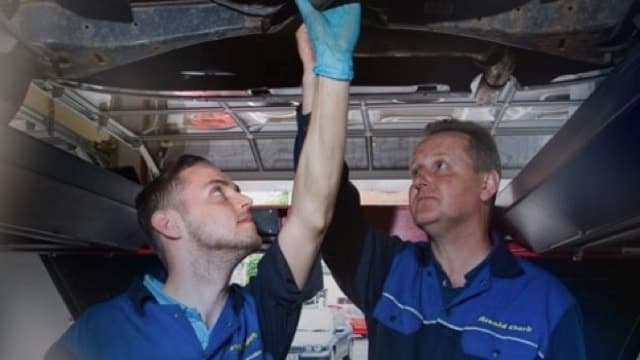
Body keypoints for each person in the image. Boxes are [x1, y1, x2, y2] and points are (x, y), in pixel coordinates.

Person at [44, 1, 360, 359]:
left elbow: (313, 214)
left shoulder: (261, 313)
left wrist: (327, 73)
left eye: (236, 191)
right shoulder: (101, 332)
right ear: (169, 223)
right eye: (218, 192)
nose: (245, 202)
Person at [295, 80, 587, 358]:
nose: (420, 180)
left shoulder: (547, 303)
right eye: (415, 171)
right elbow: (325, 202)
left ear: (486, 185)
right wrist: (314, 81)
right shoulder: (388, 271)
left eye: (440, 166)